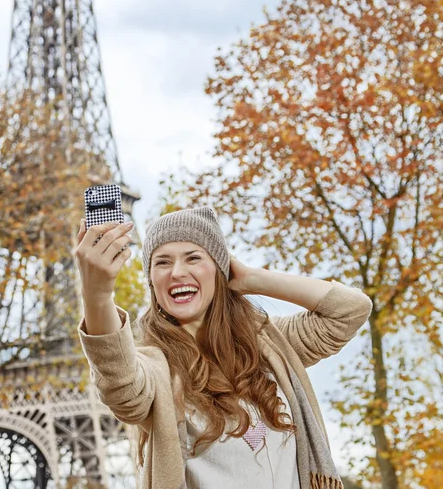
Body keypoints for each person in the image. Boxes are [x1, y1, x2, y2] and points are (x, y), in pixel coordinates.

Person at [76, 206, 372, 489]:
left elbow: (350, 310)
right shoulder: (155, 367)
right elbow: (122, 387)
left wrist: (252, 279)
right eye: (162, 262)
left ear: (220, 269)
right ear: (152, 281)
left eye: (193, 258)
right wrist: (97, 294)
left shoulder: (269, 345)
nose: (177, 272)